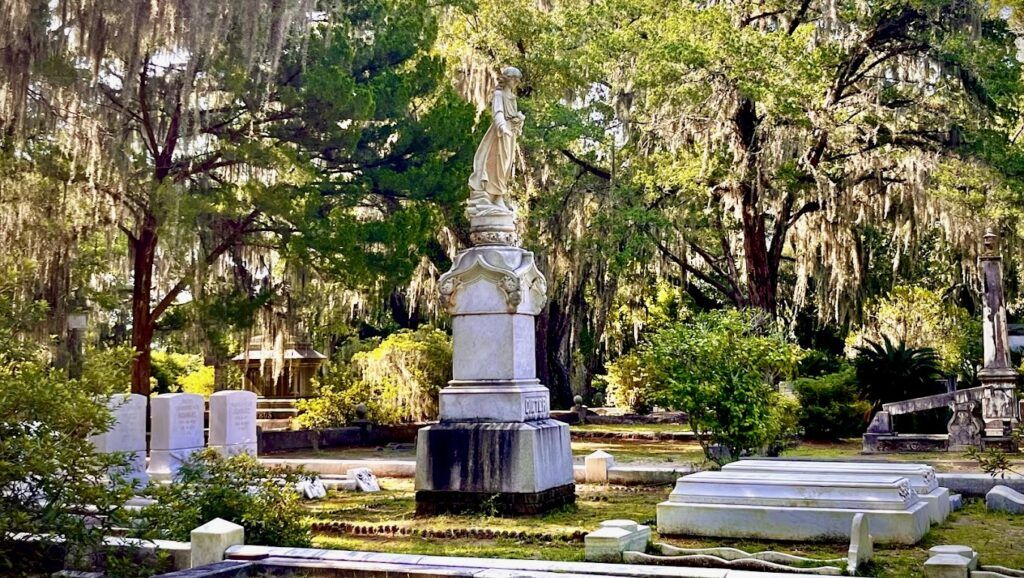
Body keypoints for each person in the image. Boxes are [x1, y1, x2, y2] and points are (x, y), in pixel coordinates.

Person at [466, 66, 525, 218]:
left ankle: (499, 196)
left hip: (510, 135)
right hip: (500, 134)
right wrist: (502, 126)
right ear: (507, 79)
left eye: (518, 80)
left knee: (506, 166)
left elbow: (512, 118)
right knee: (497, 165)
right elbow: (498, 112)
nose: (516, 83)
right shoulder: (498, 94)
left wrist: (518, 120)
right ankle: (495, 196)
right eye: (514, 79)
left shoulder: (512, 97)